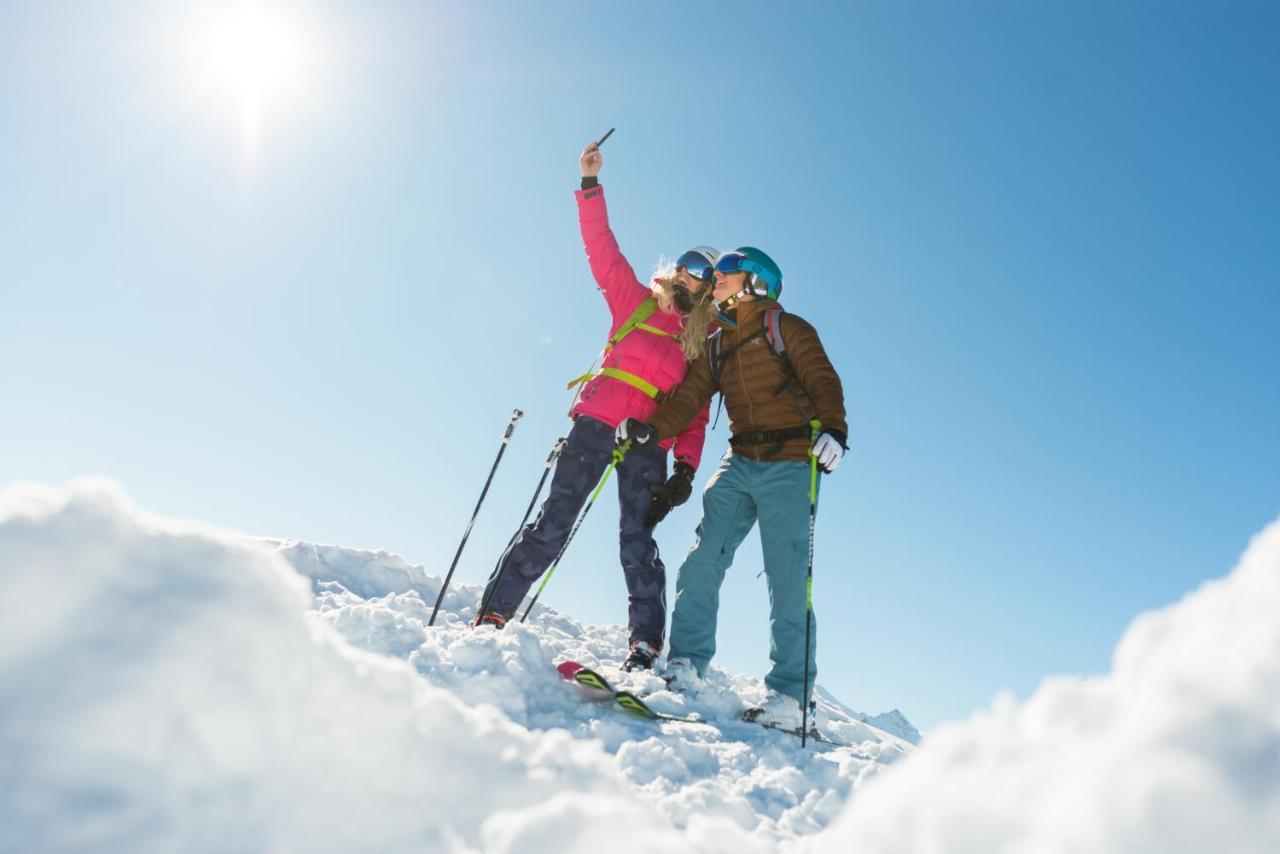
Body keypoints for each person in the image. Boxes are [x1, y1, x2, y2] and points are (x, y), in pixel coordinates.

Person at [474, 140, 714, 673]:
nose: (695, 274)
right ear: (677, 271)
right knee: (553, 522)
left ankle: (645, 646)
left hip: (646, 439)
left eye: (707, 272)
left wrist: (685, 469)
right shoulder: (635, 301)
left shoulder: (698, 343)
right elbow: (601, 248)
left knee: (636, 541)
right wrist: (590, 185)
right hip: (597, 421)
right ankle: (494, 614)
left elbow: (695, 413)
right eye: (690, 263)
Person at [615, 247, 847, 727]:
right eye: (715, 272)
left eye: (726, 271)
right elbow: (689, 399)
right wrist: (652, 429)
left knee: (787, 577)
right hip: (740, 459)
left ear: (754, 282)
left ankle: (791, 698)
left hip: (789, 461)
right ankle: (686, 664)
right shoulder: (718, 342)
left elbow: (823, 380)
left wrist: (836, 431)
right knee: (703, 559)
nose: (716, 277)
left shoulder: (789, 329)